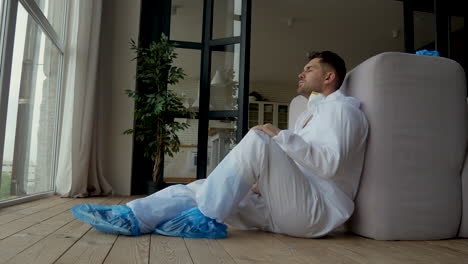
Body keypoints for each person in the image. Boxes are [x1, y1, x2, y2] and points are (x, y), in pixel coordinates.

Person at [72, 51, 369, 239]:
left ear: (329, 77)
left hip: (315, 212)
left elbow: (329, 165)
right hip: (285, 206)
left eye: (310, 69)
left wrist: (278, 135)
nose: (301, 74)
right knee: (205, 187)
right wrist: (263, 180)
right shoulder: (311, 115)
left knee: (259, 137)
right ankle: (134, 217)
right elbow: (299, 164)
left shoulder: (342, 110)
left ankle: (206, 218)